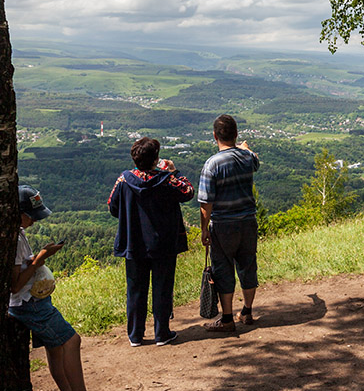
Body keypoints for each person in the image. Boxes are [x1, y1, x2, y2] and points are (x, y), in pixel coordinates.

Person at [8, 184, 114, 391]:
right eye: (30, 216)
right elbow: (14, 284)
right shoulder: (13, 238)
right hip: (28, 303)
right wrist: (40, 260)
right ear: (17, 212)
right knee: (72, 340)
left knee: (55, 349)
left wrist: (39, 257)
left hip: (30, 300)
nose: (34, 221)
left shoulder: (18, 233)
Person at [107, 137, 195, 346]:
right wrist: (175, 172)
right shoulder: (166, 180)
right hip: (163, 243)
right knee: (162, 287)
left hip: (134, 242)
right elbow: (188, 192)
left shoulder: (124, 180)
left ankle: (135, 335)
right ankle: (161, 333)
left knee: (135, 289)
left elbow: (112, 206)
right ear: (156, 159)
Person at [198, 114, 261, 333]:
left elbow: (206, 203)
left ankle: (227, 318)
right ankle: (247, 311)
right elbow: (255, 160)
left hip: (223, 225)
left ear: (215, 136)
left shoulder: (212, 164)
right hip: (248, 221)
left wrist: (204, 229)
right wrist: (246, 148)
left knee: (223, 268)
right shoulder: (246, 157)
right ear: (235, 135)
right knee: (247, 264)